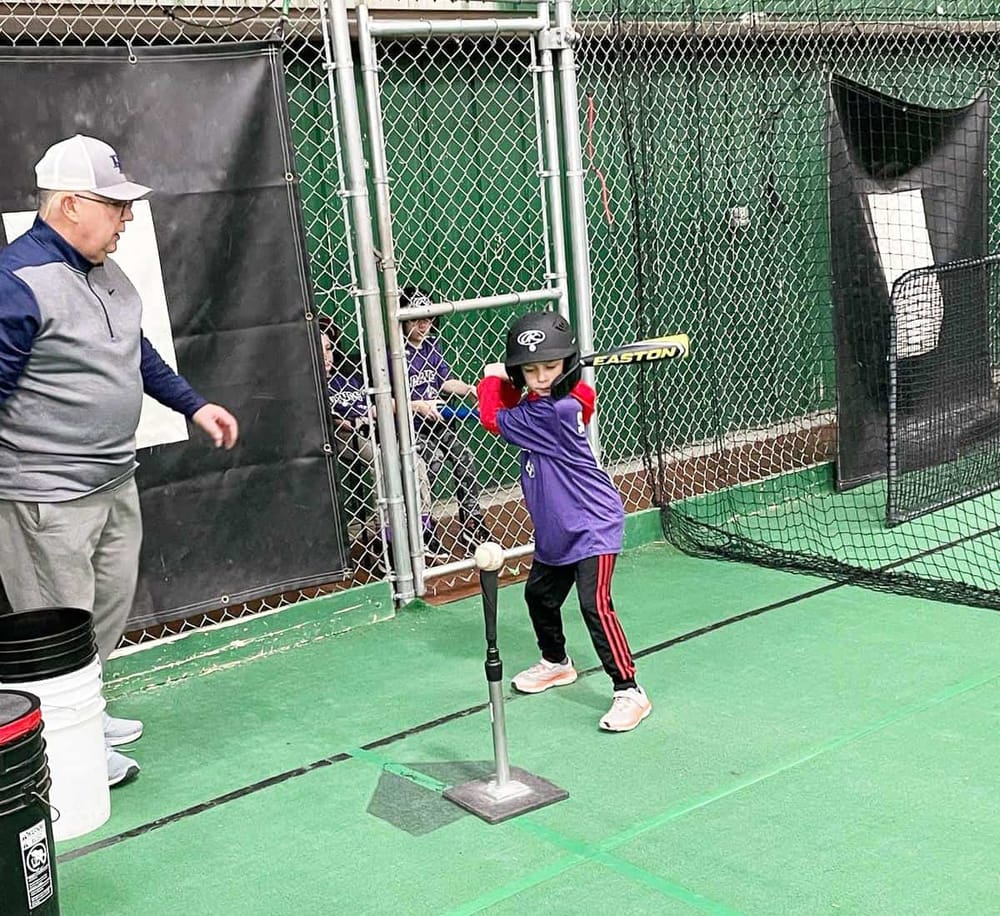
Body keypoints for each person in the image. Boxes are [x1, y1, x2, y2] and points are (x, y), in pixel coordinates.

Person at [0, 134, 239, 785]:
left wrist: (193, 405)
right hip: (47, 497)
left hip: (112, 478)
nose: (127, 218)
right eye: (115, 205)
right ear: (71, 205)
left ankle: (85, 708)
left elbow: (135, 352)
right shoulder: (17, 282)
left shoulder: (105, 270)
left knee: (105, 608)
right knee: (57, 624)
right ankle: (65, 750)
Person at [476, 310, 651, 732]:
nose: (539, 377)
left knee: (595, 605)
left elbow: (490, 416)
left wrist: (493, 378)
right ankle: (556, 662)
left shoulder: (549, 414)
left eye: (550, 367)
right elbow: (585, 400)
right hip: (556, 530)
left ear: (567, 364)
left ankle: (630, 691)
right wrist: (516, 379)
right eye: (530, 369)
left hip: (592, 524)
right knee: (539, 597)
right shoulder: (556, 402)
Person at [318, 316, 445, 559]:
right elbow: (336, 420)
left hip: (370, 429)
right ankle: (387, 540)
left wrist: (413, 405)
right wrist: (355, 422)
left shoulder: (347, 375)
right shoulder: (312, 382)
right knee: (381, 461)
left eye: (329, 348)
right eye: (320, 350)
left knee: (414, 460)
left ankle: (424, 530)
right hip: (343, 437)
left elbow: (377, 405)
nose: (327, 357)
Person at [401, 286, 492, 555]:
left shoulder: (432, 345)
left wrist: (469, 389)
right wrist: (417, 406)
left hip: (440, 421)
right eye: (417, 318)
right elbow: (390, 399)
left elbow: (444, 382)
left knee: (464, 457)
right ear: (403, 318)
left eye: (428, 317)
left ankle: (471, 523)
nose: (423, 324)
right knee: (432, 462)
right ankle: (421, 527)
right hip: (413, 427)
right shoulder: (396, 351)